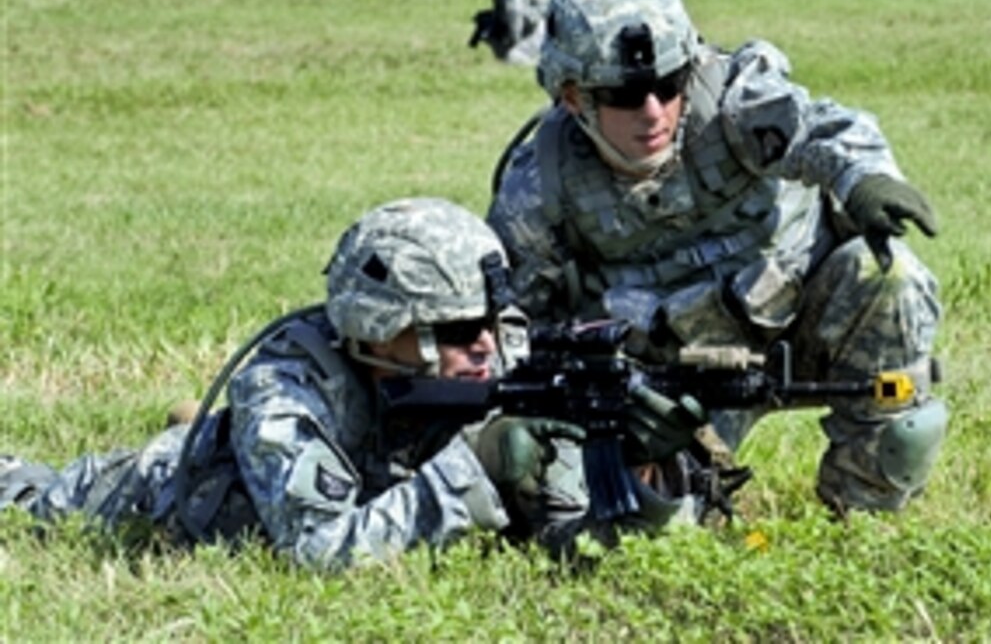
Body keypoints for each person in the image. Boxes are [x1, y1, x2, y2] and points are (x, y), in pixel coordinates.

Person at [0, 198, 709, 568]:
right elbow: (319, 551)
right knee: (28, 495)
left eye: (494, 320)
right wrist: (473, 470)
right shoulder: (287, 386)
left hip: (345, 467)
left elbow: (576, 533)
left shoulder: (501, 360)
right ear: (377, 330)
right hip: (162, 492)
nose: (488, 345)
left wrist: (642, 469)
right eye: (458, 329)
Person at [487, 0, 950, 516]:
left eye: (668, 84)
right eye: (625, 95)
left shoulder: (732, 100)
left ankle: (867, 515)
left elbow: (818, 127)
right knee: (637, 522)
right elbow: (511, 326)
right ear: (572, 97)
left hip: (797, 328)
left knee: (886, 273)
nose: (653, 112)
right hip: (663, 390)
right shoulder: (540, 183)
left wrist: (864, 178)